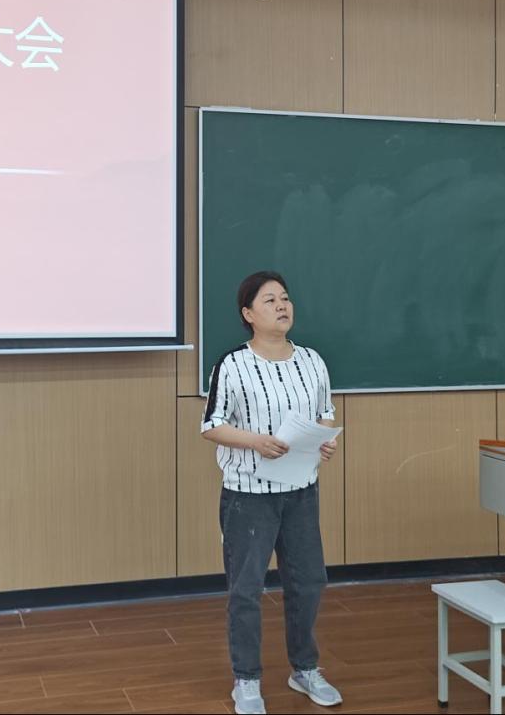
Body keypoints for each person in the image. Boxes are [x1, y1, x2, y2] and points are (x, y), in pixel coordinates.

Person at [201, 270, 342, 715]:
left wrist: (326, 440)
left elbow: (324, 413)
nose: (282, 305)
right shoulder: (232, 365)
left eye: (285, 298)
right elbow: (212, 426)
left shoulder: (312, 361)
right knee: (246, 590)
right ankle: (246, 680)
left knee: (308, 582)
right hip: (249, 495)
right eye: (269, 300)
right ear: (248, 314)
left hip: (301, 491)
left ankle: (305, 669)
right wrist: (255, 442)